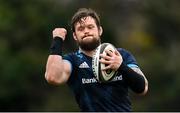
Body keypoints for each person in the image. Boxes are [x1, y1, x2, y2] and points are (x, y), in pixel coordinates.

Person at [45, 8, 148, 112]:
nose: (86, 31)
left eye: (90, 27)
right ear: (75, 36)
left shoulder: (120, 55)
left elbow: (142, 88)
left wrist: (121, 66)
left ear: (100, 30)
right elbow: (53, 77)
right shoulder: (73, 61)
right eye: (81, 29)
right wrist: (57, 40)